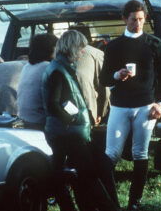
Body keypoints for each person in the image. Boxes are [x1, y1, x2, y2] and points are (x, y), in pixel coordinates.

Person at [99, 0, 161, 211]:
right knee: (111, 154)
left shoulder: (155, 43)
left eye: (141, 19)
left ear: (145, 19)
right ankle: (107, 201)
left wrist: (160, 103)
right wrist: (116, 74)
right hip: (120, 106)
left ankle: (134, 202)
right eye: (133, 19)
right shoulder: (114, 46)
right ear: (124, 19)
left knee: (140, 154)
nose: (138, 23)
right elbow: (104, 79)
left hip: (145, 106)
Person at [42, 30, 118, 211]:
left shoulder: (58, 67)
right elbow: (53, 104)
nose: (83, 52)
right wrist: (72, 119)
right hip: (68, 133)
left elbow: (62, 101)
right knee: (89, 173)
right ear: (73, 48)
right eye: (82, 48)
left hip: (62, 131)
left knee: (66, 174)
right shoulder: (59, 71)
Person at [17, 33, 58, 130]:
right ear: (51, 49)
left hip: (26, 118)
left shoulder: (27, 66)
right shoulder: (48, 67)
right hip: (41, 121)